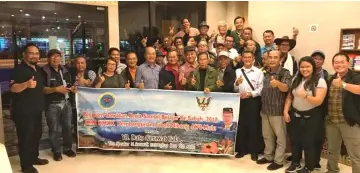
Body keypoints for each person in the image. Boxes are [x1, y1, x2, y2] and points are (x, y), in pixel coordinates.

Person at [283, 56, 327, 173]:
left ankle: (309, 167)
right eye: (302, 67)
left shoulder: (320, 81)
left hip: (312, 117)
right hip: (295, 115)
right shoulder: (295, 80)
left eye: (307, 66)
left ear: (313, 67)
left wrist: (306, 95)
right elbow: (289, 97)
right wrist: (285, 111)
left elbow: (319, 101)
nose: (304, 69)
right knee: (295, 141)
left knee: (309, 142)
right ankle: (295, 163)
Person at [10, 43, 49, 173]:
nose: (34, 56)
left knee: (36, 135)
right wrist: (26, 84)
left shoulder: (38, 69)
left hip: (36, 109)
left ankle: (33, 157)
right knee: (25, 137)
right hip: (23, 111)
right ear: (24, 55)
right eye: (31, 53)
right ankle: (25, 165)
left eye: (36, 53)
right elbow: (13, 88)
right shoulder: (19, 69)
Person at [256, 50, 292, 170]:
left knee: (280, 138)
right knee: (267, 136)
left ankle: (279, 160)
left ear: (280, 59)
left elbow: (287, 88)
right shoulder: (265, 72)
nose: (272, 60)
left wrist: (278, 84)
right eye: (270, 57)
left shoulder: (284, 72)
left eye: (275, 57)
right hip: (265, 110)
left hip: (278, 111)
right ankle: (268, 156)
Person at [326, 52, 360, 173]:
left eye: (342, 62)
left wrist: (343, 85)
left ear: (348, 63)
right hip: (331, 121)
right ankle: (332, 170)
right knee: (332, 150)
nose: (339, 64)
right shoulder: (330, 78)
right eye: (336, 62)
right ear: (332, 64)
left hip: (349, 121)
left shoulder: (356, 76)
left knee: (355, 154)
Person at [42, 49, 77, 161]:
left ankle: (67, 148)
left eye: (57, 56)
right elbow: (42, 89)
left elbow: (69, 84)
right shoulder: (43, 71)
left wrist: (72, 88)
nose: (55, 58)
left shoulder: (65, 70)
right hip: (52, 105)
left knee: (67, 127)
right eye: (53, 56)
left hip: (66, 103)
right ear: (48, 58)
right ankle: (56, 151)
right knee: (54, 129)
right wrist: (56, 89)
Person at [234, 50, 264, 161]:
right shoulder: (238, 71)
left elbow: (261, 89)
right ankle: (242, 149)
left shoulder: (258, 72)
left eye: (249, 57)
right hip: (240, 101)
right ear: (242, 58)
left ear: (253, 59)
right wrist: (237, 84)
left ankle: (254, 151)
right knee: (241, 125)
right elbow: (234, 88)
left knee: (253, 126)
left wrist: (250, 94)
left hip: (253, 101)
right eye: (245, 57)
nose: (247, 59)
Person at [69, 55, 96, 153]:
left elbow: (96, 87)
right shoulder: (70, 74)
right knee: (77, 124)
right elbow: (67, 86)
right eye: (78, 63)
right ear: (74, 64)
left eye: (82, 63)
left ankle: (91, 145)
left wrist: (88, 83)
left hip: (88, 105)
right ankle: (79, 145)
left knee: (89, 124)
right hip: (74, 103)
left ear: (86, 64)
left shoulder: (91, 73)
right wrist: (75, 85)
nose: (80, 65)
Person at [311, 50, 330, 169]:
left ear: (323, 61)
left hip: (320, 110)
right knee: (304, 135)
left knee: (317, 136)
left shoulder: (326, 75)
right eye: (315, 58)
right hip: (305, 108)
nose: (317, 60)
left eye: (320, 59)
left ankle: (316, 160)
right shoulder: (306, 71)